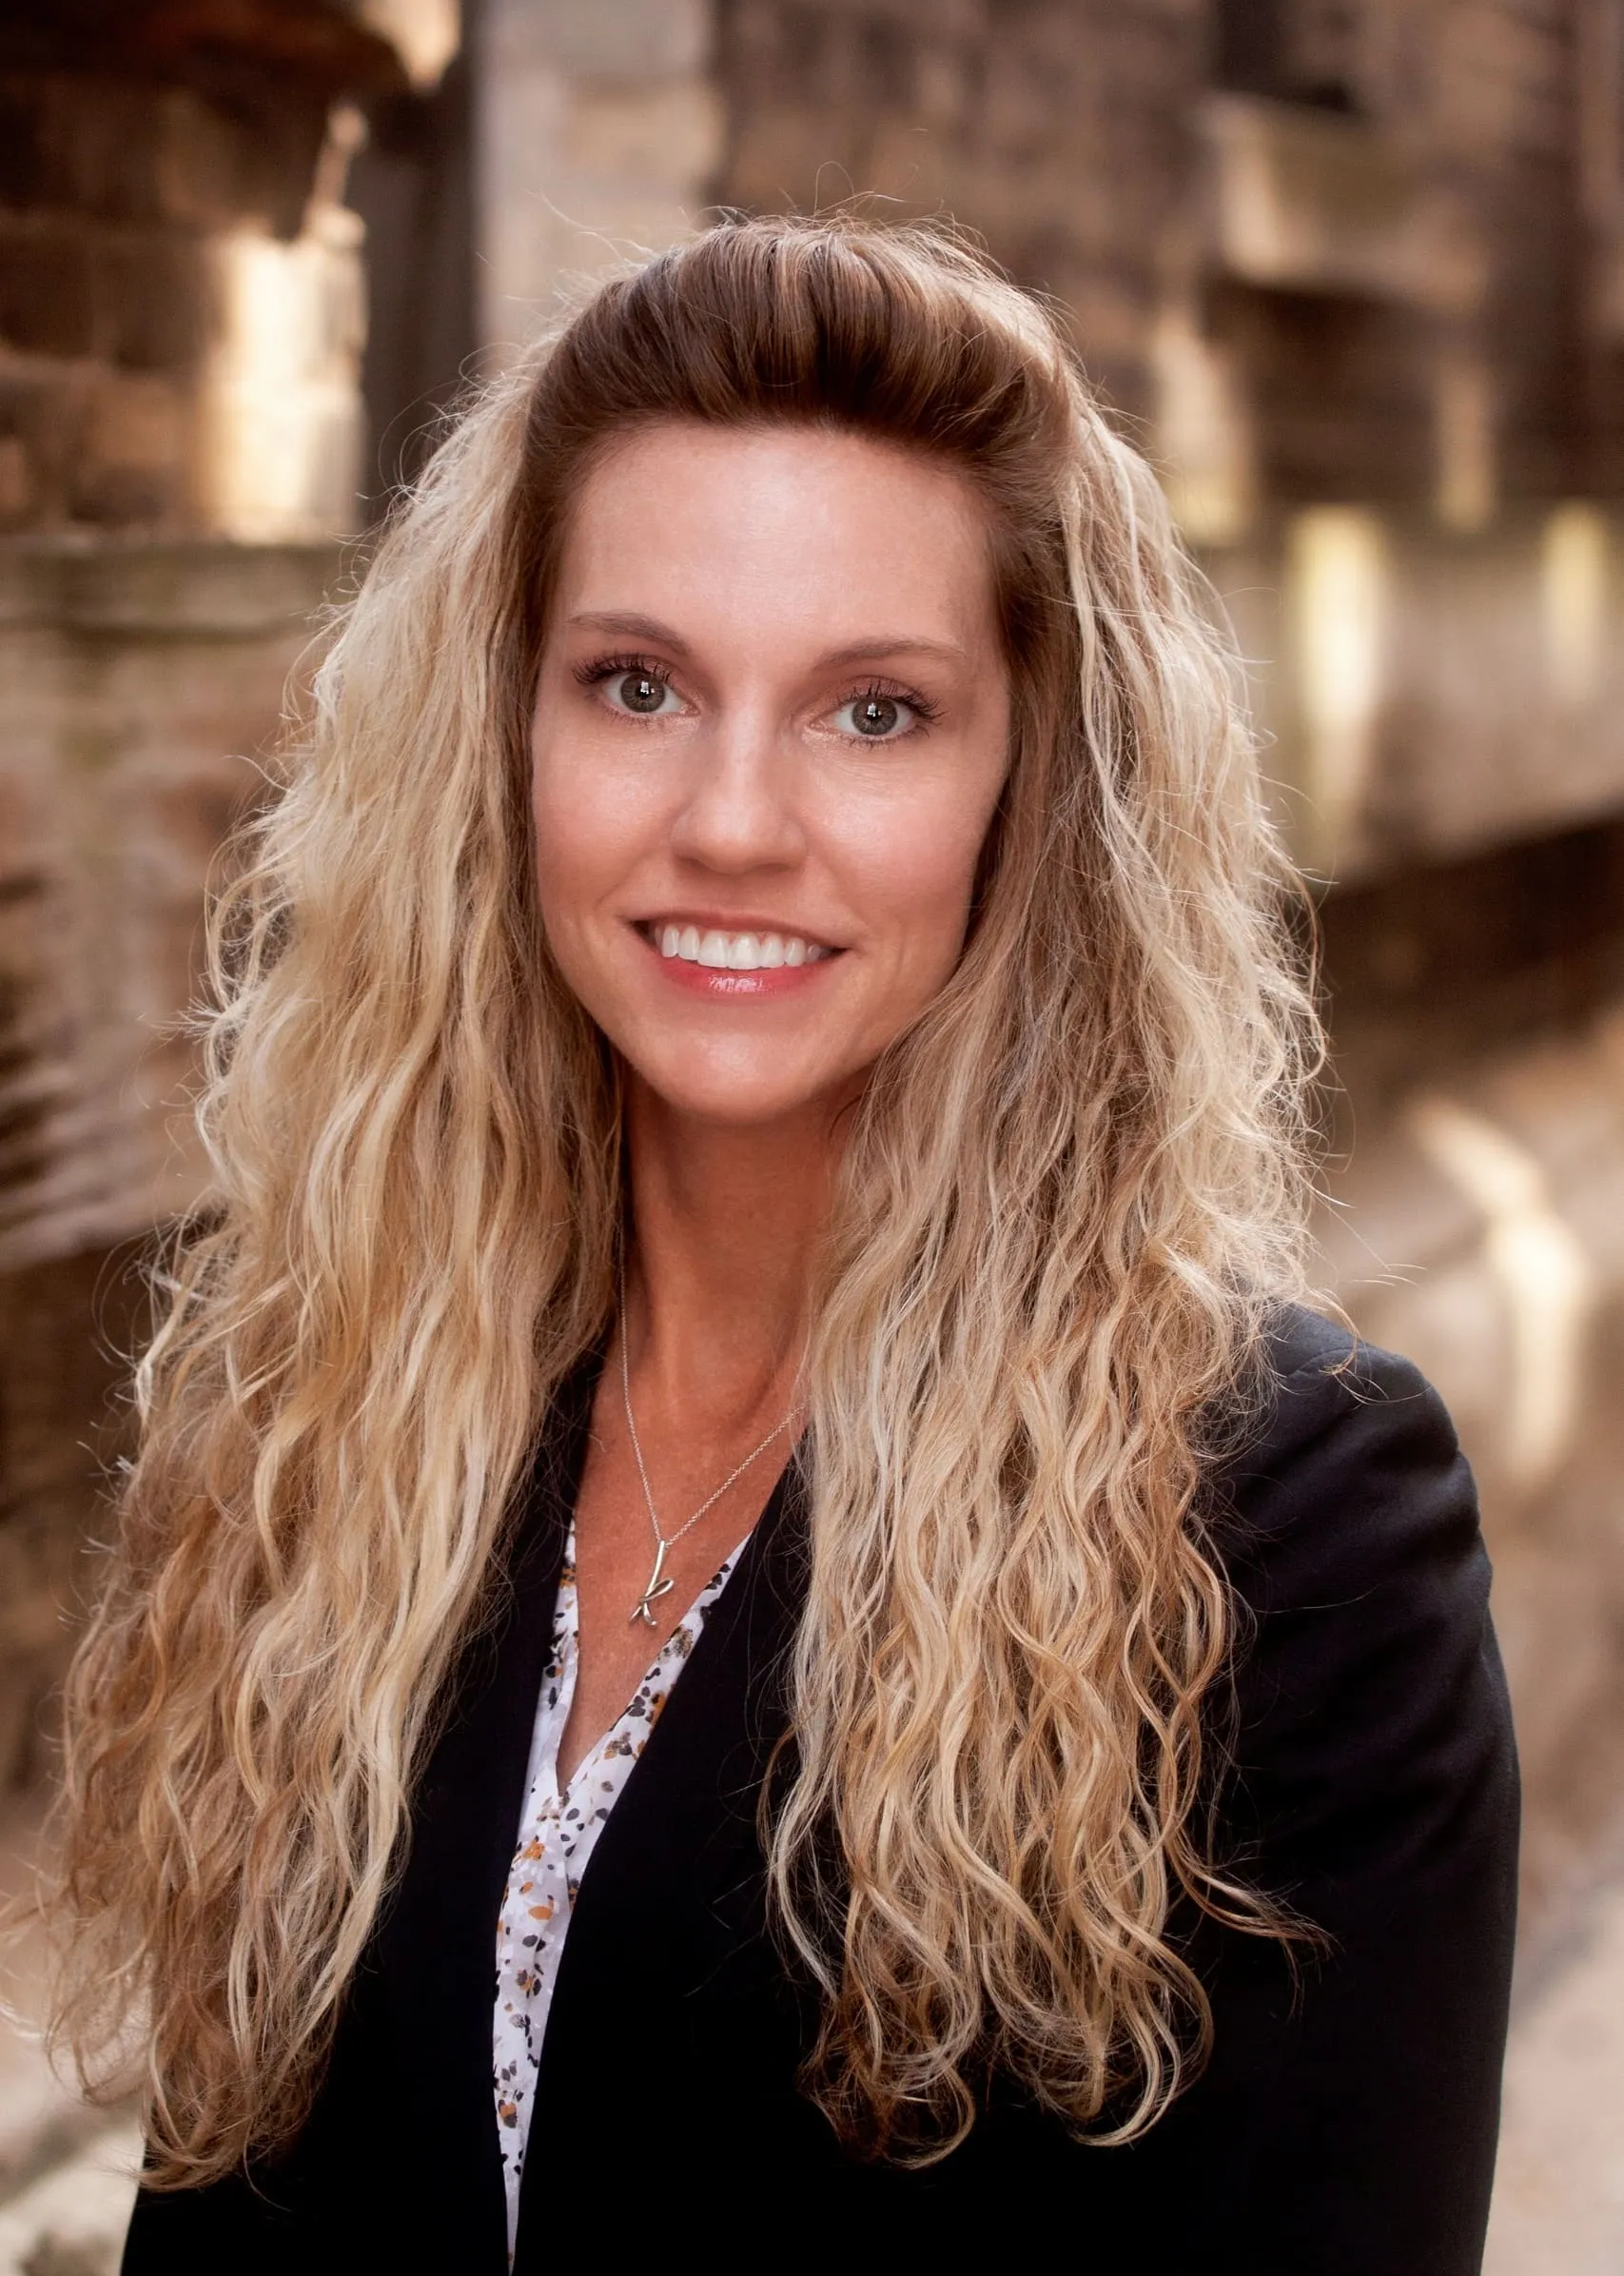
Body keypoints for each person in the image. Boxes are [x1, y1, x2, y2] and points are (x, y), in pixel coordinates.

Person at [45, 217, 1515, 2271]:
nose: (731, 820)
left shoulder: (1286, 1523)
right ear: (508, 737)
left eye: (873, 711)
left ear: (1030, 783)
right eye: (637, 684)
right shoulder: (346, 1416)